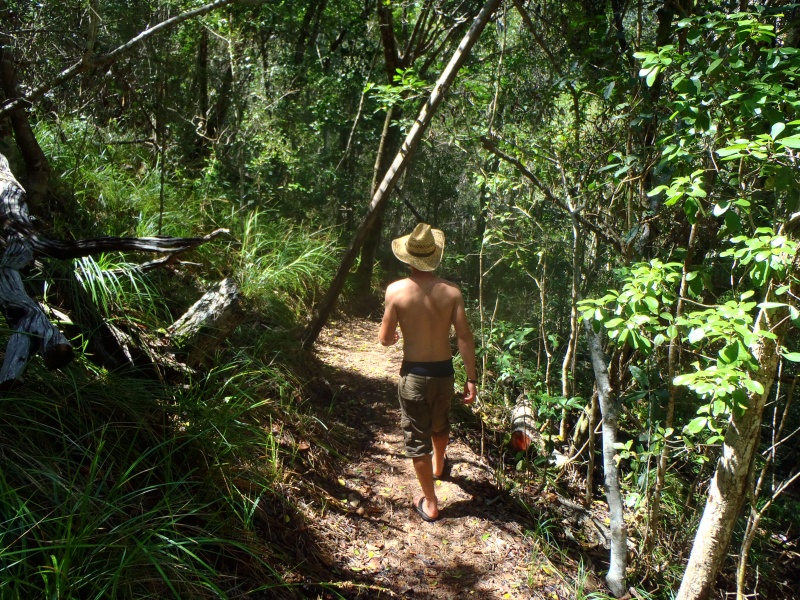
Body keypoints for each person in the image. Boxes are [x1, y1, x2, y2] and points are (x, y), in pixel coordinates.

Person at [379, 222, 478, 523]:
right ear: (434, 255)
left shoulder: (395, 291)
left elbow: (384, 339)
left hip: (414, 375)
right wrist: (471, 378)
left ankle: (431, 503)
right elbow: (464, 337)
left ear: (408, 257)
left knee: (416, 436)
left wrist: (394, 336)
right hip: (445, 374)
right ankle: (438, 467)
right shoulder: (451, 292)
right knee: (440, 421)